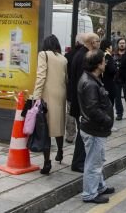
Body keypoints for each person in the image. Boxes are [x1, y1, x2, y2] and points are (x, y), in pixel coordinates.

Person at [78, 49, 115, 204]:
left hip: (94, 128)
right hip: (94, 129)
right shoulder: (90, 83)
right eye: (103, 61)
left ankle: (99, 187)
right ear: (98, 64)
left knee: (97, 159)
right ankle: (89, 194)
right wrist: (107, 120)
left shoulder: (91, 79)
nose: (105, 63)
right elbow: (93, 109)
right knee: (93, 163)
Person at [32, 34, 68, 175]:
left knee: (44, 128)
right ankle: (60, 151)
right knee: (58, 125)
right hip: (60, 96)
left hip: (47, 96)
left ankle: (47, 162)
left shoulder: (43, 55)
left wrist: (36, 97)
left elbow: (41, 76)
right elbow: (66, 79)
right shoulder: (63, 59)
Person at [70, 32, 100, 172]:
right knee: (83, 134)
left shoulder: (80, 54)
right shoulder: (84, 57)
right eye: (98, 41)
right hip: (81, 104)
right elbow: (84, 83)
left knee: (83, 133)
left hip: (78, 102)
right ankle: (78, 162)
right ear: (92, 43)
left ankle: (79, 161)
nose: (99, 44)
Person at [64, 33, 83, 144]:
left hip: (71, 89)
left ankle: (70, 135)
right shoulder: (87, 54)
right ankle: (81, 133)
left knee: (70, 113)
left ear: (76, 42)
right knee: (81, 113)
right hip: (82, 90)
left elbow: (66, 75)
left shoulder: (69, 55)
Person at [112, 37, 126, 120]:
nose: (122, 44)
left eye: (123, 43)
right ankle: (119, 113)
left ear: (125, 44)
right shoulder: (113, 55)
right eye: (120, 43)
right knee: (117, 98)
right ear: (118, 44)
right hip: (116, 80)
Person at [100, 39, 117, 107]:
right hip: (108, 83)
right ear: (108, 47)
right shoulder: (108, 56)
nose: (112, 47)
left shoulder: (100, 54)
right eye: (111, 46)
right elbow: (112, 70)